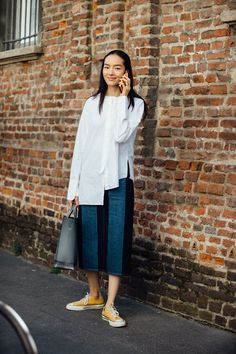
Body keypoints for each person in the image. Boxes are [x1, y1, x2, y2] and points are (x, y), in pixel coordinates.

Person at [66, 49, 147, 328]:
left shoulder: (135, 105)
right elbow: (81, 145)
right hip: (89, 178)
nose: (111, 72)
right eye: (107, 67)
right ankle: (94, 294)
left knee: (117, 239)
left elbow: (119, 136)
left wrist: (124, 99)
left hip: (119, 179)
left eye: (117, 67)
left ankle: (111, 305)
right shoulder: (91, 103)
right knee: (89, 236)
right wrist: (73, 186)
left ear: (127, 71)